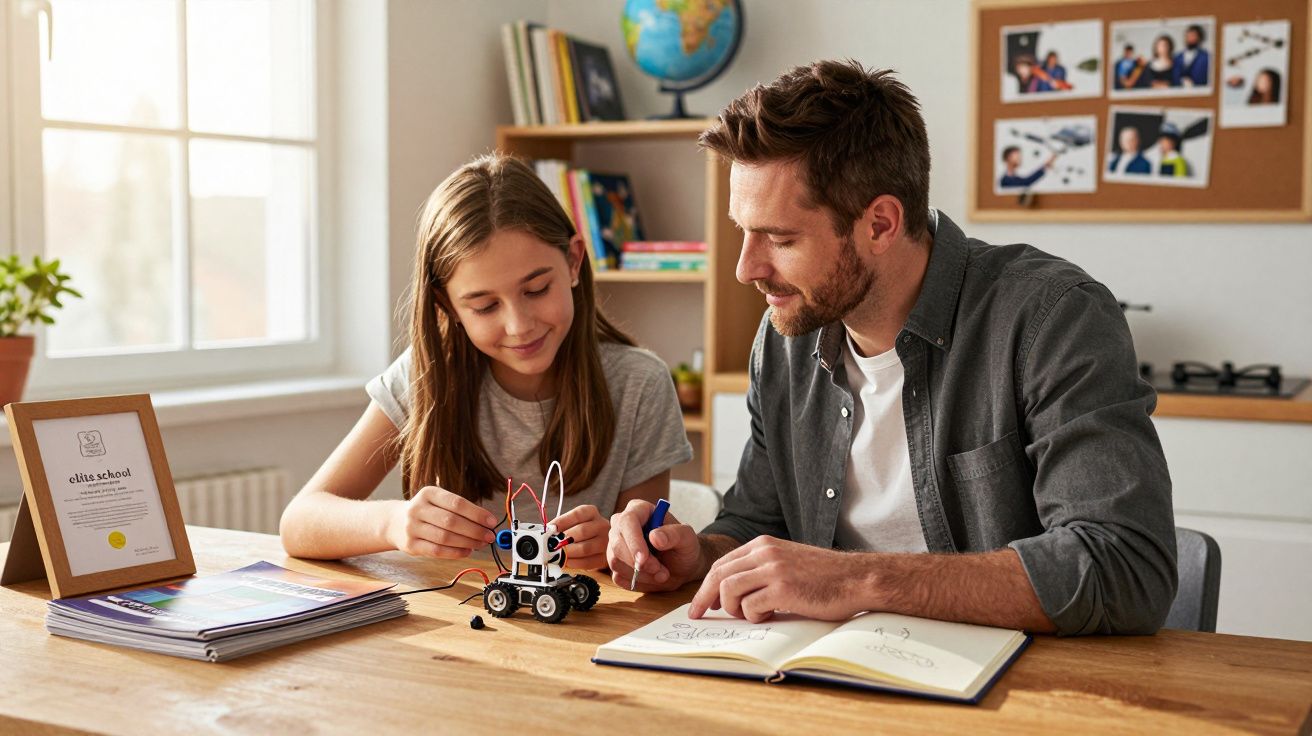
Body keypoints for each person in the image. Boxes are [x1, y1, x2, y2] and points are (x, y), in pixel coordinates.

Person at [607, 60, 1176, 637]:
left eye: (780, 238)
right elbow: (758, 519)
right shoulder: (784, 338)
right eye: (743, 232)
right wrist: (698, 556)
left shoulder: (1051, 318)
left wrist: (856, 580)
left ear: (879, 224)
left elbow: (1123, 568)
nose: (745, 268)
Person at [281, 153, 692, 568]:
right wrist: (392, 521)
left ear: (572, 261)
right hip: (454, 621)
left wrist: (615, 549)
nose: (518, 325)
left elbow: (646, 548)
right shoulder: (425, 375)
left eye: (536, 289)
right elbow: (299, 523)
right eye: (484, 306)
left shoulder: (641, 382)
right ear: (447, 306)